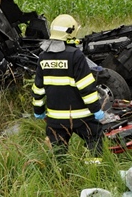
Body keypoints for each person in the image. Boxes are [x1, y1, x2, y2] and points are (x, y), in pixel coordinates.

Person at [32, 14, 105, 157]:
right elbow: (86, 86)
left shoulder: (43, 56)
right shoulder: (75, 55)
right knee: (94, 141)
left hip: (55, 119)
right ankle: (95, 171)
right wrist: (96, 109)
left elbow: (38, 88)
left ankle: (61, 175)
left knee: (59, 153)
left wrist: (38, 109)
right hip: (81, 117)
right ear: (70, 32)